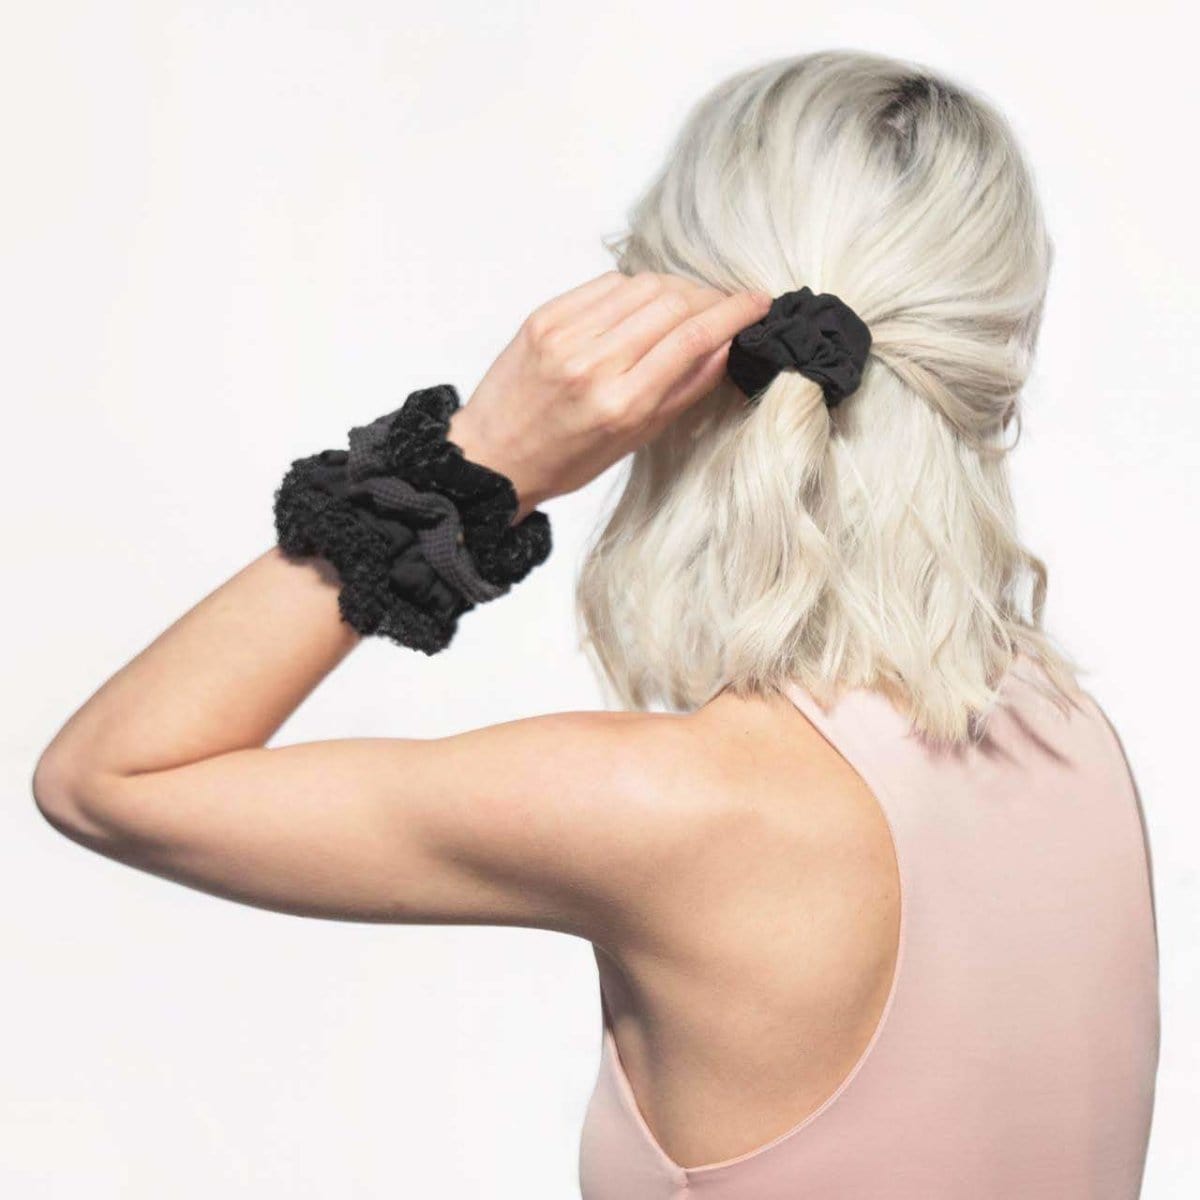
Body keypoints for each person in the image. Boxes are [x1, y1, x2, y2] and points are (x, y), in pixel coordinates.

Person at [31, 47, 1159, 1199]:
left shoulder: (678, 807)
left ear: (668, 335)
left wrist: (477, 465)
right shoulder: (1076, 742)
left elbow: (109, 779)